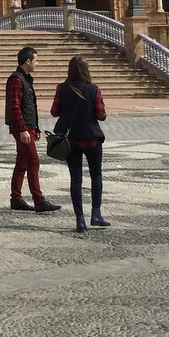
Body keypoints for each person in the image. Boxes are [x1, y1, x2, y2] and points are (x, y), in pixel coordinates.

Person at [51, 55, 109, 233]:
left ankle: (80, 219)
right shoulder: (93, 89)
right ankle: (96, 214)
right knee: (96, 176)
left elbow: (55, 111)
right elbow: (101, 115)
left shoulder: (62, 88)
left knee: (76, 178)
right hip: (91, 138)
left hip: (72, 139)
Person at [5, 45, 61, 213]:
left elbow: (29, 106)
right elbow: (15, 107)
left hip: (27, 126)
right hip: (21, 127)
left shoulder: (26, 79)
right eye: (36, 60)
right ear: (28, 61)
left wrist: (35, 128)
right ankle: (39, 200)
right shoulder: (16, 79)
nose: (38, 63)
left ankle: (16, 198)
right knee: (33, 161)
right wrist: (23, 129)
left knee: (22, 161)